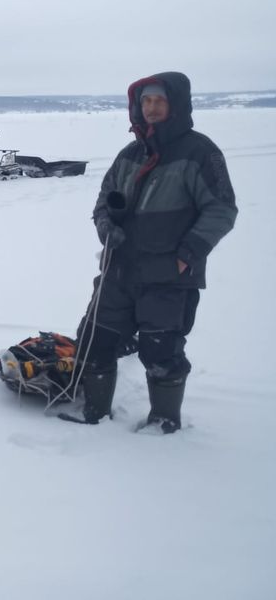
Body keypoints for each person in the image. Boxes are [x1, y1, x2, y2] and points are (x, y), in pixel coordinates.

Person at [65, 71, 237, 432]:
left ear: (176, 105)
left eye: (160, 100)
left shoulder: (200, 152)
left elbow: (221, 209)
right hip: (118, 271)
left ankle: (164, 422)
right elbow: (103, 200)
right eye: (146, 100)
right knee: (95, 340)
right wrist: (105, 227)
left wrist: (187, 254)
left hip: (168, 275)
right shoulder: (130, 154)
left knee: (161, 352)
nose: (152, 107)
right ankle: (94, 412)